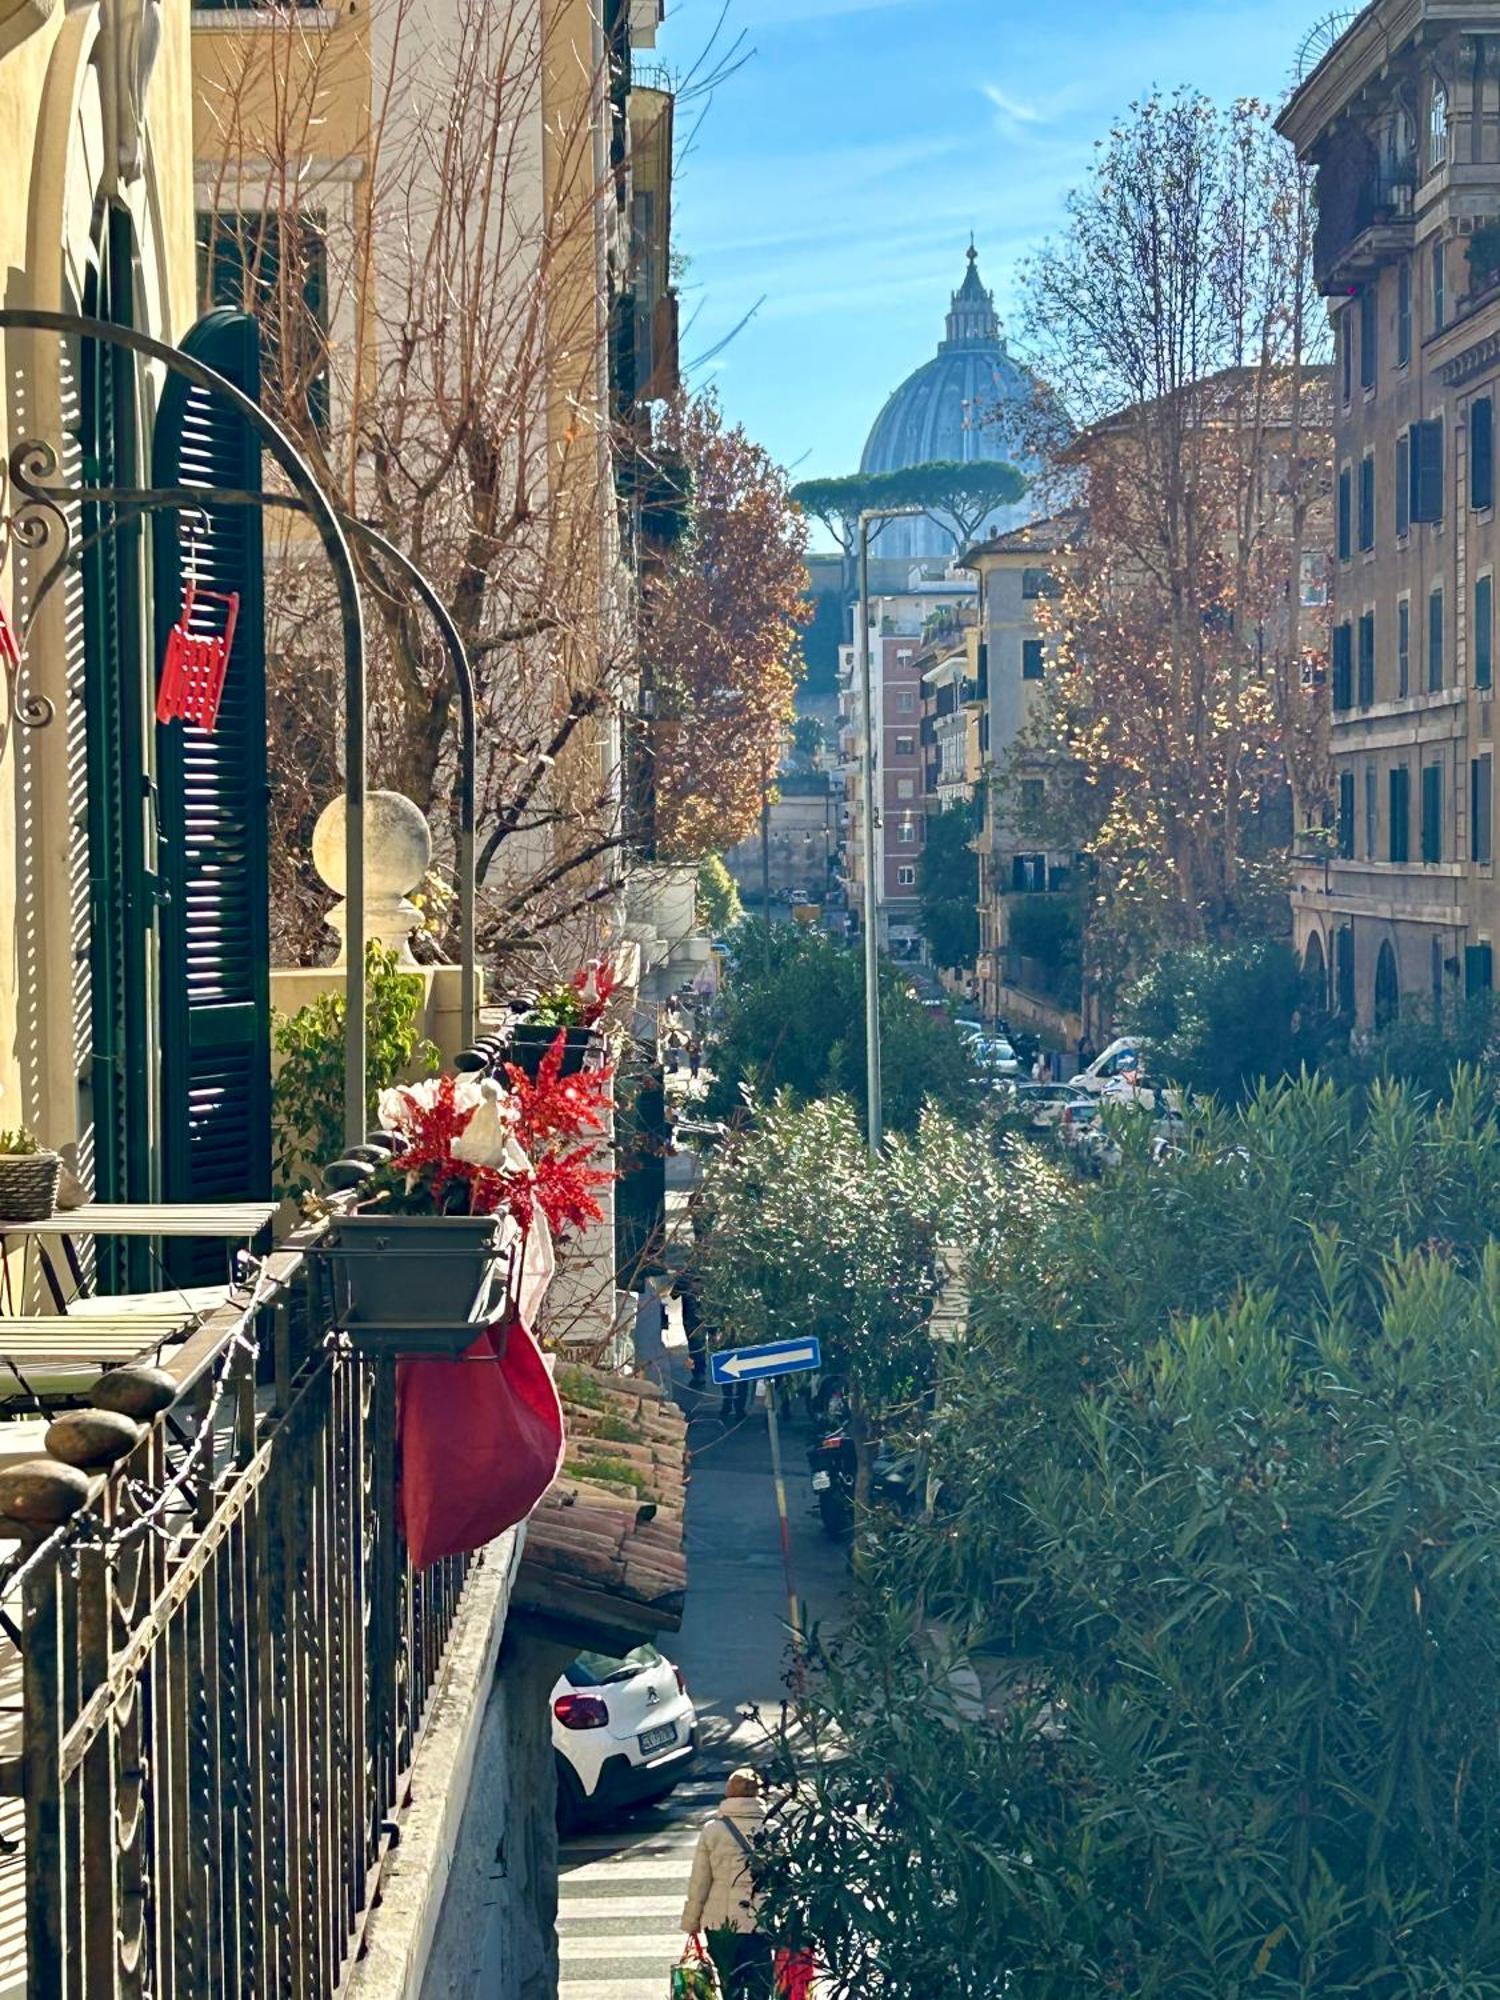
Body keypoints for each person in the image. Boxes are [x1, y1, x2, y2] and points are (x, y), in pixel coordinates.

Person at [681, 1769, 773, 1997]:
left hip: (721, 1923)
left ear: (728, 1793)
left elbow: (700, 1881)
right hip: (760, 1921)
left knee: (729, 1982)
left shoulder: (713, 1830)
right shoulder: (773, 1829)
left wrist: (691, 1921)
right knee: (760, 1984)